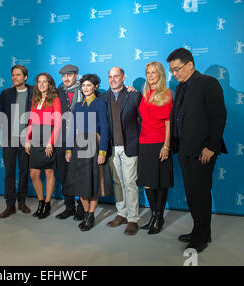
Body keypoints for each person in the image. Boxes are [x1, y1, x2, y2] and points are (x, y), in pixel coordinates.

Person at [167, 48, 227, 253]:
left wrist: (211, 146)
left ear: (190, 65)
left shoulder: (207, 83)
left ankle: (202, 237)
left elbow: (219, 117)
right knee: (192, 194)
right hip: (184, 149)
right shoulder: (182, 87)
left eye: (177, 69)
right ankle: (197, 230)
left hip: (203, 150)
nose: (174, 74)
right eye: (172, 70)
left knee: (200, 194)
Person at [64, 74, 113, 231]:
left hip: (94, 145)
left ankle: (91, 215)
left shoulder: (100, 103)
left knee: (93, 182)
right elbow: (72, 129)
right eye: (83, 85)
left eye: (89, 85)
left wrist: (103, 152)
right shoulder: (78, 106)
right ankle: (85, 212)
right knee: (80, 183)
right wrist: (69, 149)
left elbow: (105, 129)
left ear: (95, 87)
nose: (85, 88)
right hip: (79, 146)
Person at [100, 67, 142, 236]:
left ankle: (133, 219)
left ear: (123, 77)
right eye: (110, 77)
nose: (112, 79)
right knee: (118, 182)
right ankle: (121, 214)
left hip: (129, 146)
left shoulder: (134, 95)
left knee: (130, 182)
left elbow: (143, 118)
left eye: (116, 76)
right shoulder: (103, 98)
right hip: (112, 147)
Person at [137, 61, 173, 234]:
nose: (150, 76)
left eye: (153, 72)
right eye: (148, 72)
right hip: (144, 143)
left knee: (160, 182)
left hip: (159, 143)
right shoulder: (145, 94)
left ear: (160, 74)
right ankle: (153, 215)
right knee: (148, 183)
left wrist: (166, 146)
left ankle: (159, 217)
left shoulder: (166, 94)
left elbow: (168, 122)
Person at [0, 65, 33, 218]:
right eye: (13, 75)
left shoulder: (33, 92)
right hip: (9, 138)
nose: (14, 77)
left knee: (24, 171)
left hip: (27, 139)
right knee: (9, 172)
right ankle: (10, 205)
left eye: (18, 75)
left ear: (25, 77)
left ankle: (21, 201)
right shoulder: (5, 93)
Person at [25, 73, 62, 219]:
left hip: (49, 136)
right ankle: (40, 201)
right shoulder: (35, 99)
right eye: (39, 82)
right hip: (36, 138)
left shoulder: (55, 99)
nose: (41, 84)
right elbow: (32, 121)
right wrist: (27, 139)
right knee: (34, 173)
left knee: (48, 172)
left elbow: (58, 122)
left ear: (49, 84)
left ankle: (47, 204)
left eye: (44, 82)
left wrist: (50, 142)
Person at [55, 64, 85, 221]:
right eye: (63, 75)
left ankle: (82, 208)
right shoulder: (58, 92)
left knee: (80, 174)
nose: (65, 78)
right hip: (61, 140)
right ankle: (69, 207)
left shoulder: (85, 90)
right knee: (64, 175)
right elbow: (40, 92)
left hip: (80, 140)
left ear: (76, 75)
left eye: (69, 75)